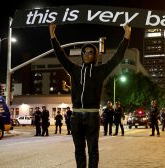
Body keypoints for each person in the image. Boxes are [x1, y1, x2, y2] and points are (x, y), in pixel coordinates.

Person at [49, 23, 131, 168]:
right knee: (79, 150)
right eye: (85, 52)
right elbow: (60, 56)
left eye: (90, 52)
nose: (87, 55)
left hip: (92, 117)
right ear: (81, 55)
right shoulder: (74, 70)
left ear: (94, 55)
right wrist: (52, 36)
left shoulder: (100, 71)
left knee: (93, 150)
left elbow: (117, 57)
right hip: (76, 117)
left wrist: (126, 36)